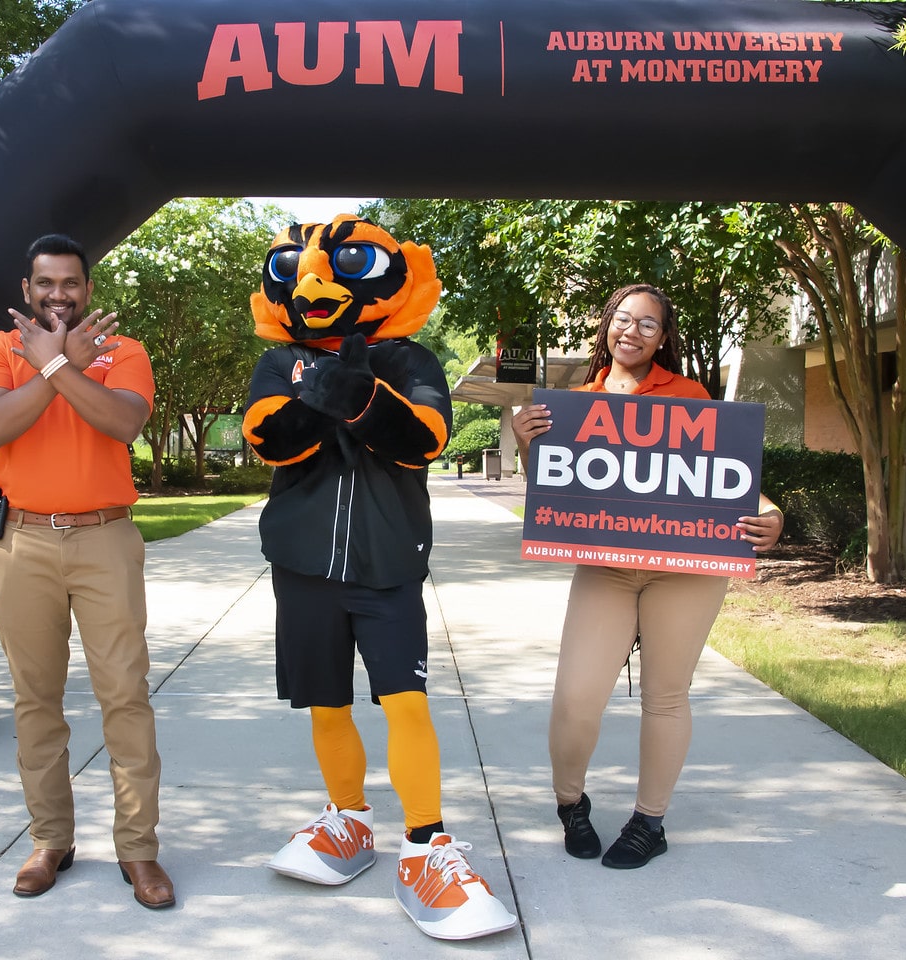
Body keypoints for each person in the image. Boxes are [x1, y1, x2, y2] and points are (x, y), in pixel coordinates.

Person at [243, 216, 517, 940]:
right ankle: (348, 821)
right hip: (302, 565)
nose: (315, 285)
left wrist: (360, 395)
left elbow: (424, 439)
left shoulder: (412, 358)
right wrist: (321, 392)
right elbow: (267, 436)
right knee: (325, 704)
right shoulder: (281, 360)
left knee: (406, 704)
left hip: (388, 564)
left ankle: (426, 846)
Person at [513, 283, 784, 870]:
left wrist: (772, 513)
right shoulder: (574, 402)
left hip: (683, 573)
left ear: (664, 338)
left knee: (666, 697)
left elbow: (722, 472)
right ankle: (570, 804)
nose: (631, 332)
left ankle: (648, 822)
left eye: (648, 325)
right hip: (606, 571)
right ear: (606, 324)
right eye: (623, 319)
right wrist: (525, 442)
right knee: (576, 697)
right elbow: (555, 487)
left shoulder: (688, 394)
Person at [0, 234, 174, 908]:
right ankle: (51, 840)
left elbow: (122, 423)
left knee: (125, 698)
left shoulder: (124, 350)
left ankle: (138, 850)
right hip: (20, 544)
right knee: (35, 701)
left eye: (71, 283)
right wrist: (56, 368)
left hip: (105, 540)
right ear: (26, 290)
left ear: (88, 289)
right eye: (45, 283)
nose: (59, 294)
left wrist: (57, 369)